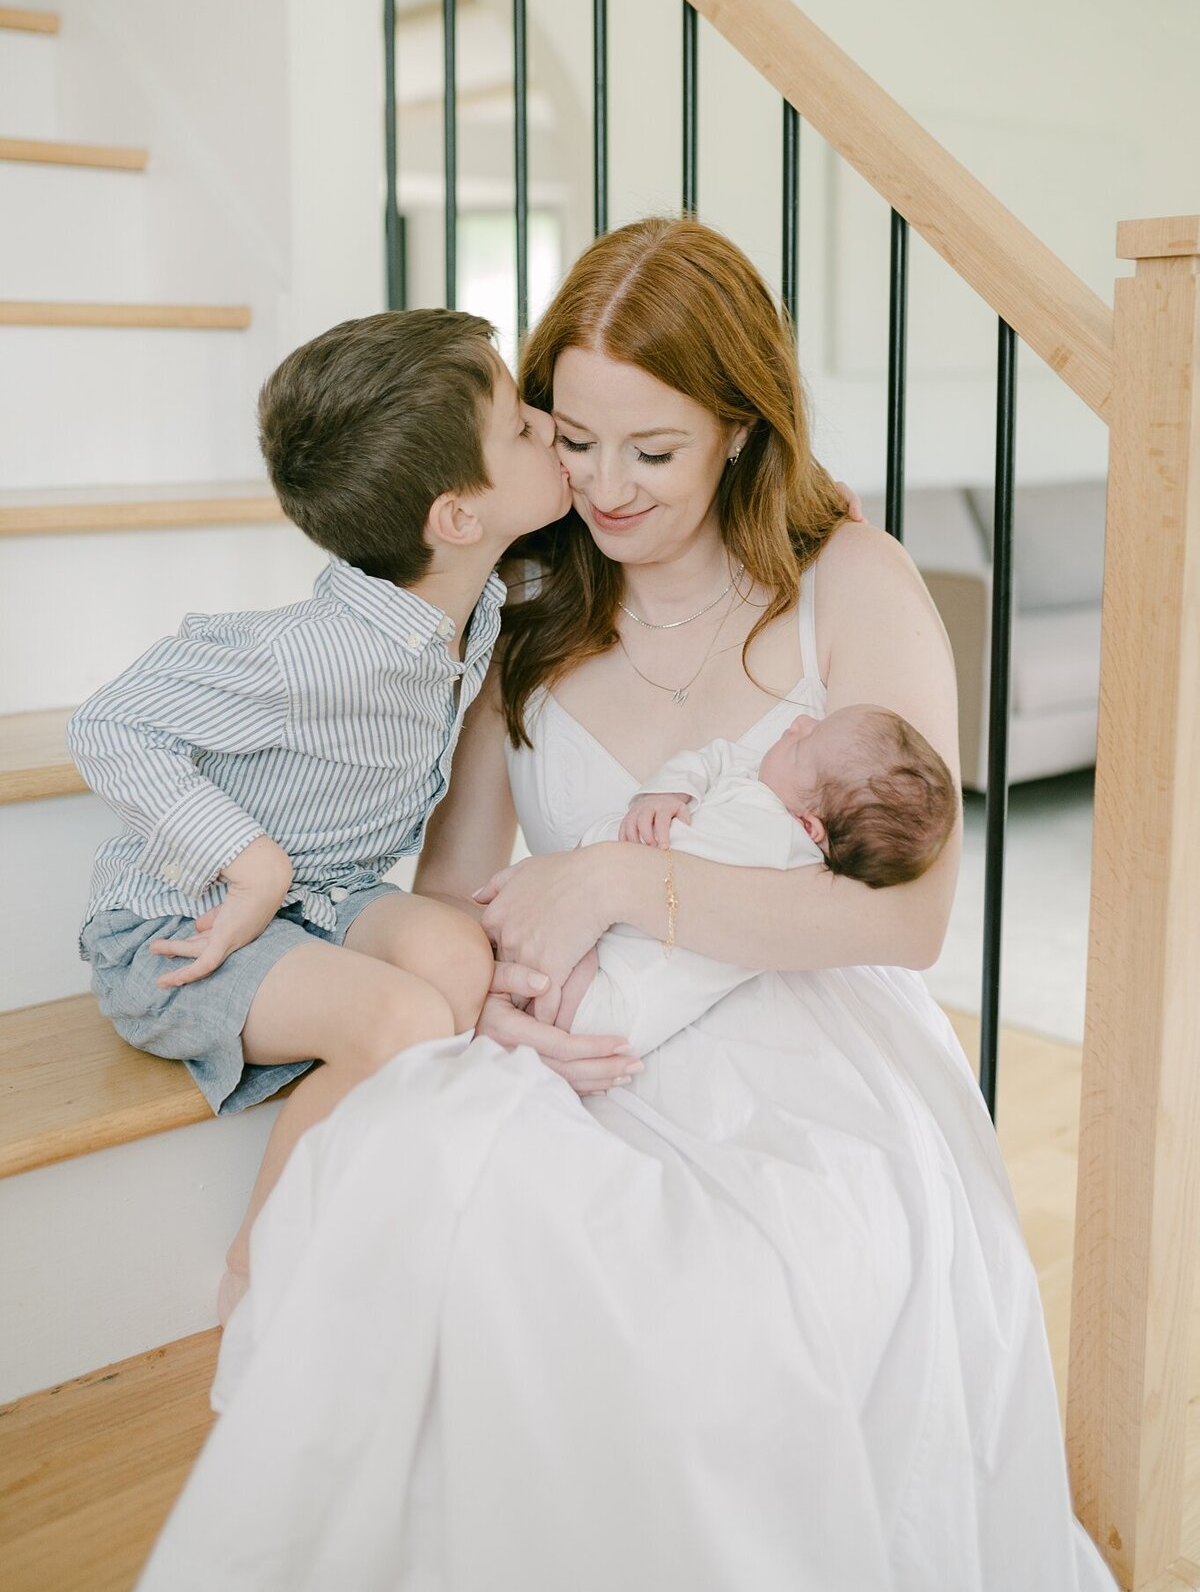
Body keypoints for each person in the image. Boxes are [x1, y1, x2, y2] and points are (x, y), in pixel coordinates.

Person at [137, 219, 1115, 1592]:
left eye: (650, 451)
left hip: (804, 1039)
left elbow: (906, 920)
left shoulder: (856, 585)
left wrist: (611, 877)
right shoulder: (528, 600)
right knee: (430, 1197)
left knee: (717, 1310)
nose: (604, 485)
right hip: (559, 1021)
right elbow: (455, 880)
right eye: (570, 438)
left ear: (737, 427)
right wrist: (503, 1001)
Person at [68, 309, 571, 1320]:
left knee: (458, 951)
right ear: (456, 518)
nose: (551, 426)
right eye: (521, 425)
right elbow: (107, 726)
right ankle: (258, 1271)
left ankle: (391, 1192)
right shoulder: (307, 654)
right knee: (404, 1018)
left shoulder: (468, 598)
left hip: (326, 897)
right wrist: (248, 864)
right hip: (179, 931)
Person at [534, 702, 959, 1053]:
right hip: (600, 903)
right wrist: (668, 794)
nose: (799, 723)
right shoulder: (754, 776)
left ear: (811, 827)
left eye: (802, 744)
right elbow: (712, 757)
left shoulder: (790, 861)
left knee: (583, 1010)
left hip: (634, 984)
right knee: (542, 952)